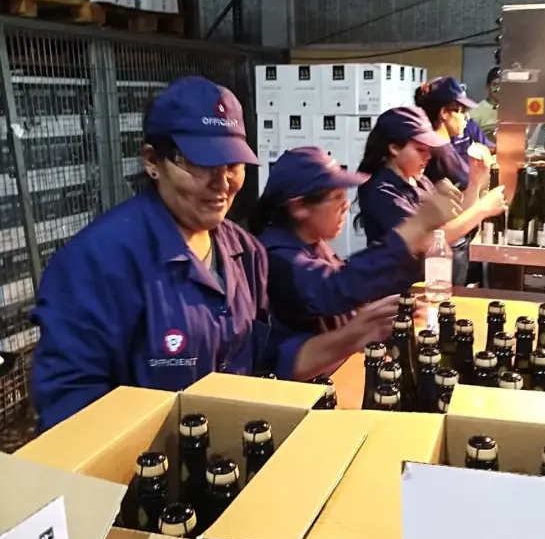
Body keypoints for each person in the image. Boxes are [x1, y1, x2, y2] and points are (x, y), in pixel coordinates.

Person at [30, 77, 399, 433]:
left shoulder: (246, 253)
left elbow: (267, 359)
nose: (222, 185)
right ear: (152, 161)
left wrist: (353, 335)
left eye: (232, 166)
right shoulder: (96, 263)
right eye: (202, 165)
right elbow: (70, 412)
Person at [247, 146, 464, 335]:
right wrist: (416, 225)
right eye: (337, 197)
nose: (346, 206)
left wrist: (375, 311)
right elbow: (337, 288)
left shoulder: (314, 243)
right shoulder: (277, 257)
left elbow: (345, 294)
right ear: (299, 207)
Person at [354, 106, 506, 280]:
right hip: (399, 287)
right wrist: (483, 209)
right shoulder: (382, 191)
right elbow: (427, 240)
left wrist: (474, 182)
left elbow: (456, 221)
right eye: (420, 150)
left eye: (429, 149)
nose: (428, 156)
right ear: (394, 148)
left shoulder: (420, 180)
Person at [414, 77, 496, 285]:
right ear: (444, 113)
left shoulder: (441, 146)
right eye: (461, 111)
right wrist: (481, 191)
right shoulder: (440, 149)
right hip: (443, 245)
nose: (466, 118)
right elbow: (465, 196)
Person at [468, 67, 500, 143]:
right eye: (495, 84)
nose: (499, 89)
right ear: (487, 86)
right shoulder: (475, 112)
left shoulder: (513, 111)